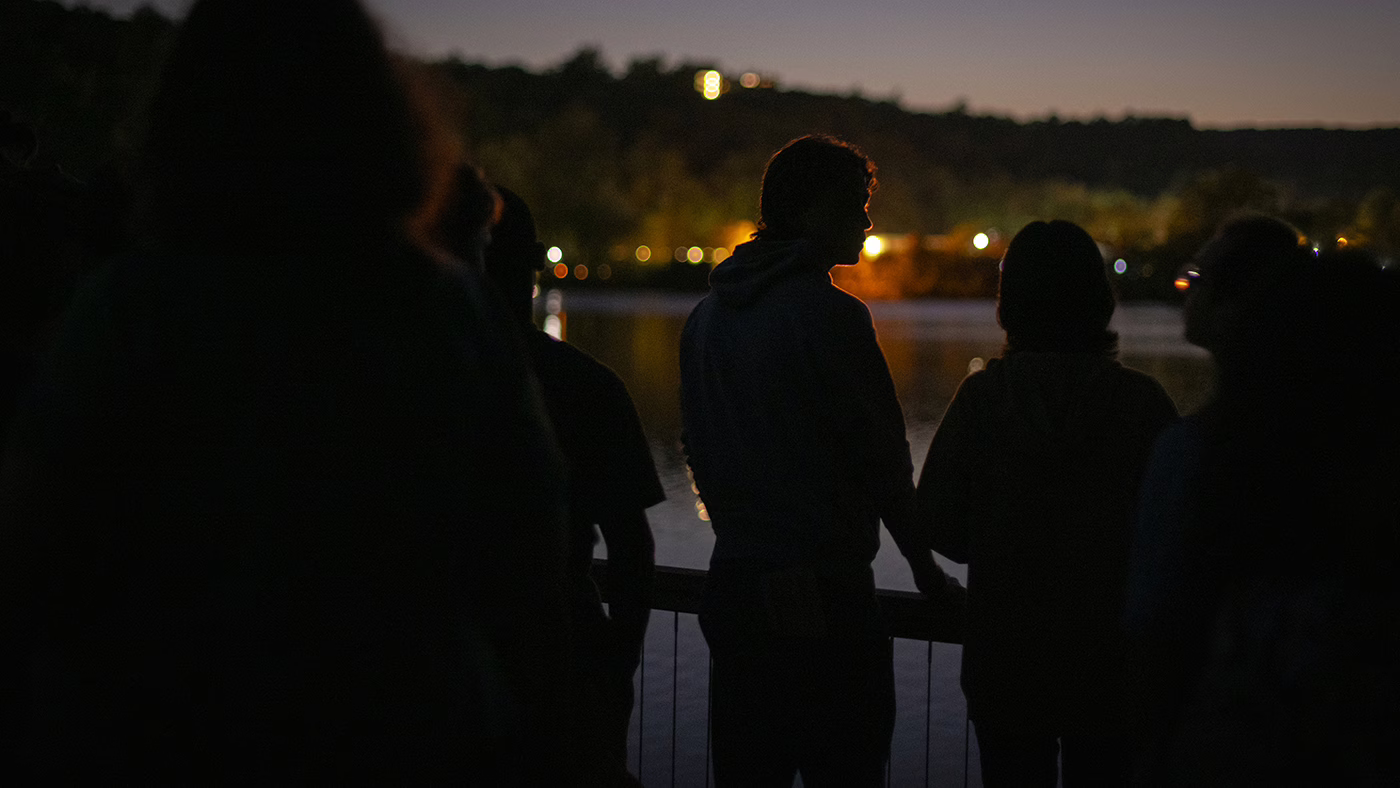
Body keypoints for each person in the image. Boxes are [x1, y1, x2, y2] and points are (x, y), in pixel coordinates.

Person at [0, 1, 568, 782]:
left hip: (166, 731)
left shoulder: (132, 306)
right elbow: (527, 540)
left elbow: (43, 545)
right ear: (380, 119)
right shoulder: (447, 309)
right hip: (408, 728)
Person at [679, 134, 962, 787]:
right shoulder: (830, 318)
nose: (867, 221)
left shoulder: (704, 320)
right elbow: (883, 461)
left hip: (735, 585)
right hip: (825, 598)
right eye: (856, 205)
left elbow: (696, 443)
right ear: (810, 211)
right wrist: (926, 573)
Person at [1128, 220, 1400, 783]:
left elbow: (1155, 621)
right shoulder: (1357, 485)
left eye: (1198, 278)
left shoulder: (1203, 459)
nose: (1186, 290)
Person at [916, 220, 1177, 786]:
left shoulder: (985, 399)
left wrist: (999, 544)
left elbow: (936, 520)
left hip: (1006, 657)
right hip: (1111, 662)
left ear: (1009, 304)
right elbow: (1177, 536)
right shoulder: (1142, 404)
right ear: (1099, 300)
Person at [443, 176, 663, 785]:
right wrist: (618, 663)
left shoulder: (393, 386)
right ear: (530, 270)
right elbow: (631, 544)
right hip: (564, 661)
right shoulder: (586, 386)